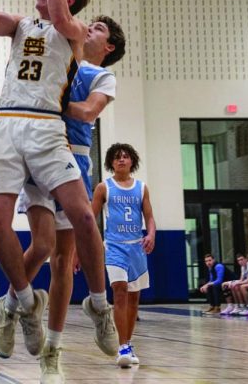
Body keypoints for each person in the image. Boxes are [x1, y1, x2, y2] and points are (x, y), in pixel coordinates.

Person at [0, 0, 119, 362]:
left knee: (81, 217)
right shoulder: (20, 25)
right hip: (6, 122)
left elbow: (60, 16)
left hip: (44, 126)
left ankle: (98, 303)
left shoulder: (73, 32)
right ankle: (22, 302)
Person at [13, 15, 125, 384]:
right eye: (89, 24)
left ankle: (53, 351)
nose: (89, 27)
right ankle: (13, 304)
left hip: (73, 156)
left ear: (108, 47)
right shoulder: (61, 55)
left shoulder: (101, 76)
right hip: (39, 150)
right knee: (40, 246)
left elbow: (89, 111)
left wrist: (52, 102)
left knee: (62, 263)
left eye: (99, 29)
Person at [91, 143, 156, 368]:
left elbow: (149, 217)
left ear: (132, 161)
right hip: (115, 247)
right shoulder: (103, 187)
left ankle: (128, 342)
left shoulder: (141, 187)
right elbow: (90, 218)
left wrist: (151, 234)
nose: (121, 160)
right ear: (111, 162)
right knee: (119, 291)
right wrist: (92, 244)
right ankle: (122, 347)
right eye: (117, 157)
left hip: (136, 247)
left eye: (125, 157)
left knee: (134, 298)